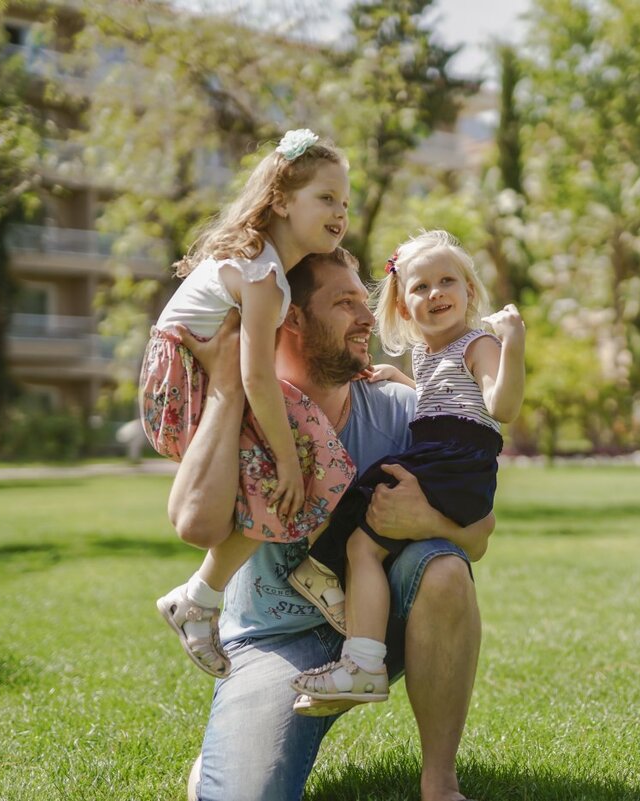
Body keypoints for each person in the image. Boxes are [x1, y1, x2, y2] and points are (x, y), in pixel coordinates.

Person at [168, 249, 493, 801]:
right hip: (273, 642)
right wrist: (228, 386)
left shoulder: (402, 409)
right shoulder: (241, 412)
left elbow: (479, 536)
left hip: (379, 625)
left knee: (443, 568)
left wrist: (428, 519)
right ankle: (229, 752)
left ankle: (440, 783)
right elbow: (192, 521)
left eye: (364, 301)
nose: (368, 317)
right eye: (345, 303)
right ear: (289, 316)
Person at [139, 129, 355, 678]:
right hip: (189, 385)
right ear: (282, 200)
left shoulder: (265, 268)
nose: (340, 212)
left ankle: (255, 579)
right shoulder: (262, 274)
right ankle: (209, 596)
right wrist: (285, 457)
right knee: (292, 462)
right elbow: (257, 377)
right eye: (326, 198)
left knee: (311, 446)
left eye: (345, 202)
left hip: (188, 378)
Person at [288, 230, 524, 709]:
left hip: (457, 462)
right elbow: (444, 400)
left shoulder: (481, 344)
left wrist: (513, 344)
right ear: (401, 307)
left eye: (447, 282)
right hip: (441, 454)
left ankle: (361, 657)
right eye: (420, 287)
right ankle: (350, 626)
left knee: (361, 524)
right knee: (360, 527)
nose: (435, 293)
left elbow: (500, 405)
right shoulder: (426, 353)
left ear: (469, 293)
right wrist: (402, 380)